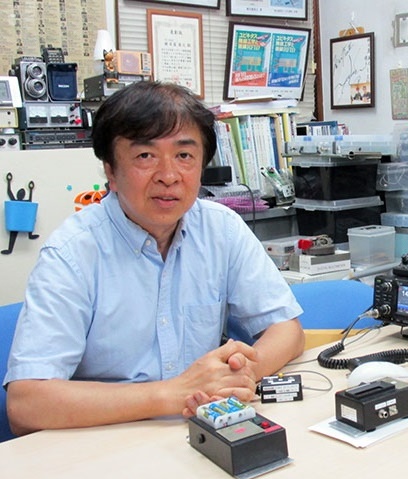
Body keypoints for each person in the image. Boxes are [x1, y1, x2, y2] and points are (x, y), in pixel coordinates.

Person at [3, 81, 305, 436]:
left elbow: (287, 330)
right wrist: (172, 394)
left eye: (184, 156)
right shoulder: (72, 253)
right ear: (111, 170)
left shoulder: (221, 229)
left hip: (201, 432)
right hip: (106, 441)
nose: (169, 176)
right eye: (145, 156)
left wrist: (240, 375)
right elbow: (26, 404)